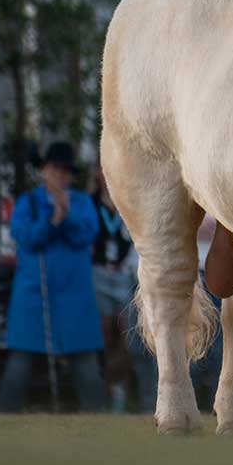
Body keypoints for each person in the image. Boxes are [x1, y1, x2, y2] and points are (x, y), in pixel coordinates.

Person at [0, 141, 105, 413]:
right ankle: (4, 418)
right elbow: (26, 239)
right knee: (19, 365)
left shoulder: (81, 202)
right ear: (44, 170)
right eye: (55, 168)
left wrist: (66, 217)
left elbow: (87, 235)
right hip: (35, 294)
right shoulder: (28, 202)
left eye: (66, 170)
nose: (61, 174)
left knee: (86, 366)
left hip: (74, 294)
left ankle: (99, 420)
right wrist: (53, 221)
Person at [87, 161, 141, 410]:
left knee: (127, 337)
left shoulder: (128, 201)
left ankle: (122, 392)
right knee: (104, 335)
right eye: (101, 167)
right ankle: (104, 393)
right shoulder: (89, 203)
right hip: (98, 275)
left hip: (124, 276)